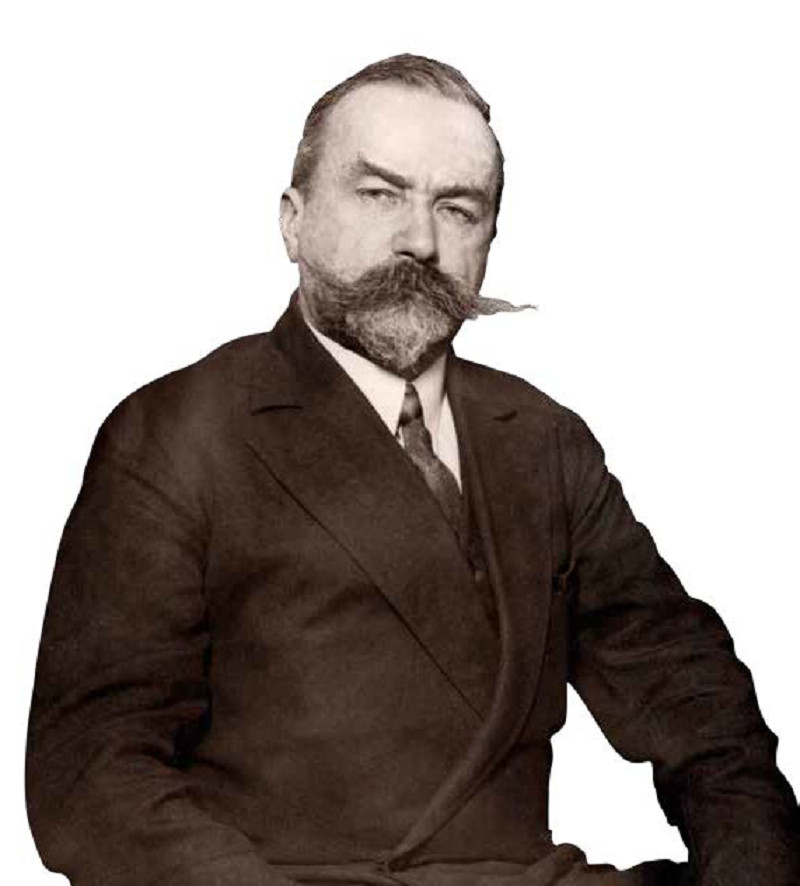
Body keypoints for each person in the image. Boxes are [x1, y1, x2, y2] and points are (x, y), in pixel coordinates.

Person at [26, 54, 799, 886]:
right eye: (379, 194)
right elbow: (91, 771)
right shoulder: (178, 431)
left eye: (457, 208)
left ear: (489, 239)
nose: (420, 241)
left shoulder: (544, 439)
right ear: (292, 222)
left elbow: (694, 699)